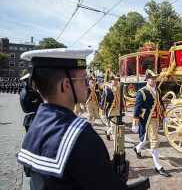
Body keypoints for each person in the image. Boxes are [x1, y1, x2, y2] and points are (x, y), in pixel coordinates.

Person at [16, 48, 129, 189]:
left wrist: (105, 169)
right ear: (66, 85)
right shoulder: (81, 136)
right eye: (84, 79)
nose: (88, 85)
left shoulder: (34, 125)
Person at [132, 69, 171, 177]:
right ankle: (158, 166)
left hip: (156, 118)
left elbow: (160, 103)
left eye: (155, 79)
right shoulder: (142, 92)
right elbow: (137, 107)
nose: (155, 80)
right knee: (155, 141)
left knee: (147, 138)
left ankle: (137, 148)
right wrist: (135, 123)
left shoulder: (157, 90)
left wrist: (165, 115)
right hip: (147, 120)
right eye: (152, 79)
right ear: (147, 80)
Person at [100, 74, 121, 141]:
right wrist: (102, 111)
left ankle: (108, 132)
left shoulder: (119, 89)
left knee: (117, 125)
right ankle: (116, 142)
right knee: (113, 126)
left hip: (118, 109)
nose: (116, 81)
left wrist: (123, 108)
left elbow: (121, 99)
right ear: (111, 81)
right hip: (110, 110)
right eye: (114, 80)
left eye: (117, 80)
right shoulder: (107, 90)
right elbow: (103, 100)